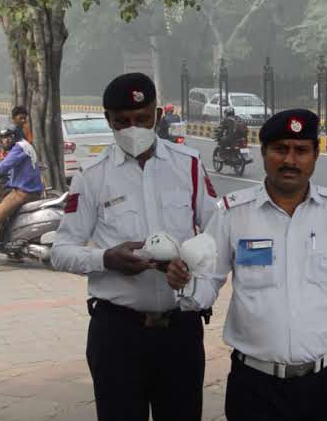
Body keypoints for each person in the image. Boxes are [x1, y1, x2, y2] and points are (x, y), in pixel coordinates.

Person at [168, 109, 327, 421]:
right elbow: (207, 285)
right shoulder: (232, 213)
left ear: (315, 155)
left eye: (301, 151)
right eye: (280, 149)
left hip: (325, 382)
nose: (290, 161)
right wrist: (184, 282)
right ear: (264, 152)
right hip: (255, 387)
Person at [50, 73, 217, 421]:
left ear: (157, 115)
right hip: (117, 334)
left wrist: (193, 270)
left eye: (141, 118)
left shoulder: (188, 164)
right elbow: (61, 250)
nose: (133, 128)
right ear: (108, 120)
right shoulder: (92, 175)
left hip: (180, 332)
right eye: (122, 121)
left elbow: (218, 234)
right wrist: (106, 258)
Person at [0, 125, 44, 259]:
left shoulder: (19, 148)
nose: (5, 141)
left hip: (23, 192)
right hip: (32, 190)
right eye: (2, 138)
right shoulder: (26, 145)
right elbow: (10, 167)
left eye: (8, 137)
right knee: (9, 217)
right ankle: (15, 251)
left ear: (15, 136)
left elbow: (5, 165)